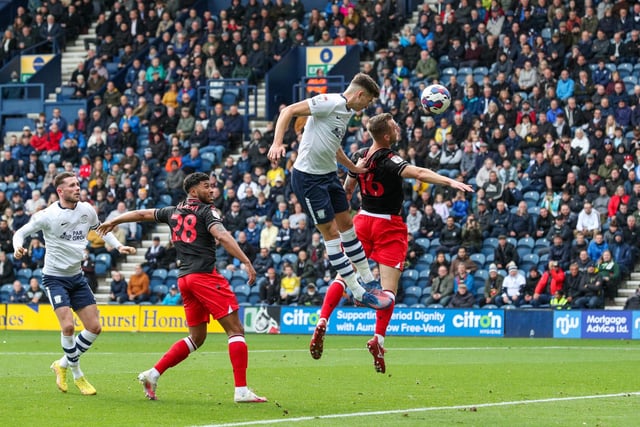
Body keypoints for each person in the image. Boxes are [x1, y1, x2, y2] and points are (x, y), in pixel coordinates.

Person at [308, 113, 472, 373]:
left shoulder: (361, 155)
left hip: (361, 220)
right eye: (395, 127)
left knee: (343, 276)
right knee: (389, 289)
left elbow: (348, 190)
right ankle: (378, 339)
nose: (398, 129)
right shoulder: (390, 159)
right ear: (386, 136)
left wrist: (344, 216)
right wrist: (449, 181)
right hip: (389, 226)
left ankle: (323, 320)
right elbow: (418, 172)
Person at [97, 172, 266, 403]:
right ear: (194, 191)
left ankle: (152, 374)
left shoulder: (172, 211)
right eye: (207, 187)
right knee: (236, 330)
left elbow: (142, 214)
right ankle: (241, 390)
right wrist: (246, 261)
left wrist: (115, 220)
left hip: (184, 279)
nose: (212, 190)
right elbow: (222, 235)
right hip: (205, 277)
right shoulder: (208, 212)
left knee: (196, 337)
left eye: (212, 186)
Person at [268, 73, 386, 309]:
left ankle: (371, 282)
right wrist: (277, 142)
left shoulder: (347, 112)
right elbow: (287, 111)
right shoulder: (329, 102)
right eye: (369, 101)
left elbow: (334, 146)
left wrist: (353, 168)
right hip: (308, 179)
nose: (368, 106)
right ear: (360, 94)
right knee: (331, 233)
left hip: (329, 175)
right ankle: (357, 290)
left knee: (347, 226)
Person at [12, 171, 136, 395]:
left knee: (95, 327)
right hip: (55, 278)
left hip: (77, 277)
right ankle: (77, 374)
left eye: (78, 184)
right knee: (68, 326)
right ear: (60, 191)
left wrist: (118, 246)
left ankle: (61, 363)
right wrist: (17, 247)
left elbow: (100, 229)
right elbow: (20, 233)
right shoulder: (46, 215)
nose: (78, 188)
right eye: (72, 185)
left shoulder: (86, 210)